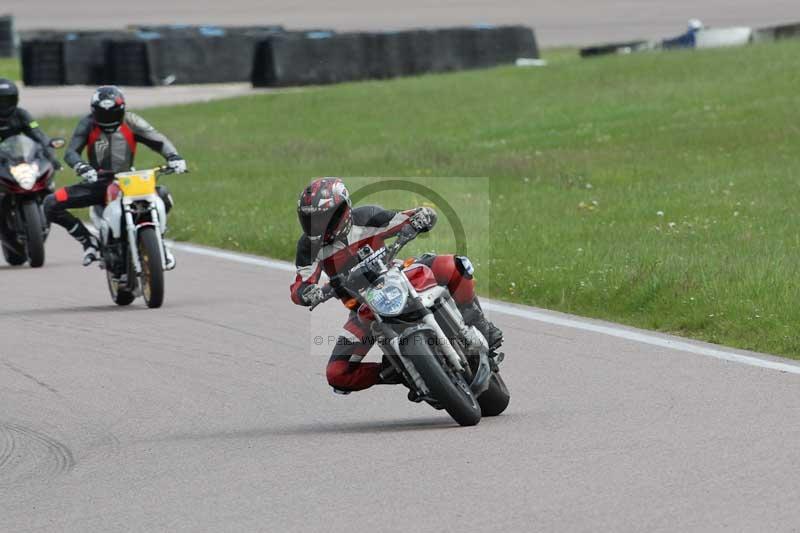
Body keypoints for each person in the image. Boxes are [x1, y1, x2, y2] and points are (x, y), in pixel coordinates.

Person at [290, 177, 503, 394]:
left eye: (324, 217)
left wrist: (421, 217)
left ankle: (480, 324)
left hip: (399, 278)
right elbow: (301, 284)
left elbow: (407, 217)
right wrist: (308, 293)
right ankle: (400, 371)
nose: (317, 225)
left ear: (343, 210)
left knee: (453, 266)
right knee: (337, 373)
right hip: (363, 310)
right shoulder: (309, 247)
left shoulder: (367, 216)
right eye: (311, 219)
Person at [43, 85, 187, 266]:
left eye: (111, 113)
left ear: (122, 109)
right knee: (50, 202)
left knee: (163, 195)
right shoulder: (87, 123)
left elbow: (158, 139)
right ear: (94, 112)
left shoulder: (131, 120)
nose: (107, 119)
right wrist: (82, 167)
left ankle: (159, 242)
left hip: (129, 180)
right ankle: (89, 242)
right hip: (98, 181)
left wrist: (174, 156)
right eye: (102, 114)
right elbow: (71, 152)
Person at [0, 78, 61, 170]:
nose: (4, 104)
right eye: (1, 101)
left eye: (7, 100)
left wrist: (51, 158)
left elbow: (38, 134)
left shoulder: (22, 115)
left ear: (16, 99)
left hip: (15, 157)